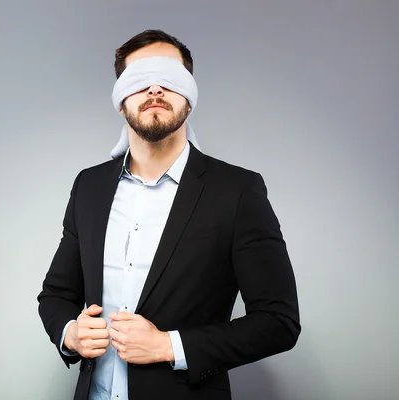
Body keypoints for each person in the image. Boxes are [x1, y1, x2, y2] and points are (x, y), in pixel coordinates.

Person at [37, 29, 300, 400]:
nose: (155, 90)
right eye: (141, 79)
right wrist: (70, 334)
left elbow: (279, 322)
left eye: (169, 79)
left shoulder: (238, 191)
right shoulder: (89, 187)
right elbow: (56, 294)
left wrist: (168, 346)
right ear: (120, 99)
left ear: (189, 98)